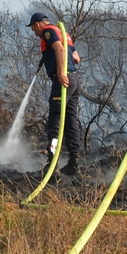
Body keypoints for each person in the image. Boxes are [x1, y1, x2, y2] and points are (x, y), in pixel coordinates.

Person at [28, 12, 82, 175]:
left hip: (63, 81)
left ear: (37, 24)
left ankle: (52, 160)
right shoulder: (63, 33)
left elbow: (59, 48)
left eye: (33, 28)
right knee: (71, 119)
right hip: (74, 80)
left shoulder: (48, 32)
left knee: (55, 121)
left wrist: (60, 73)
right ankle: (74, 161)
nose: (34, 32)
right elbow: (76, 58)